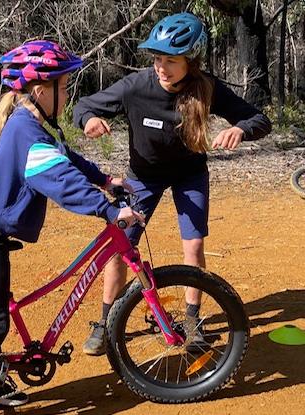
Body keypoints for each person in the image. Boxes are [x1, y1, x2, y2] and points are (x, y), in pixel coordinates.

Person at [0, 40, 144, 415]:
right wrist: (106, 210)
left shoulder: (35, 122)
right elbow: (59, 181)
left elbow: (65, 156)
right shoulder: (25, 128)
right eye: (64, 86)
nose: (68, 93)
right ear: (42, 90)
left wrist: (106, 179)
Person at [73, 12, 272, 356]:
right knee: (121, 242)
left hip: (189, 174)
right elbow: (85, 105)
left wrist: (241, 129)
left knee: (193, 247)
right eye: (157, 59)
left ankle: (193, 320)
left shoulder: (207, 87)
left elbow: (259, 119)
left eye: (171, 60)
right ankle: (106, 323)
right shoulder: (136, 87)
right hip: (143, 178)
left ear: (191, 61)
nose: (161, 67)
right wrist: (89, 120)